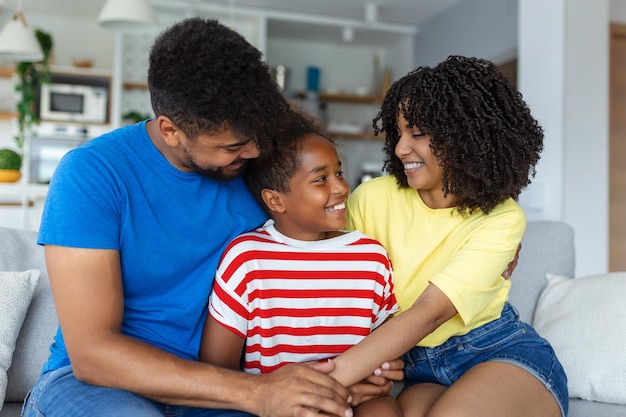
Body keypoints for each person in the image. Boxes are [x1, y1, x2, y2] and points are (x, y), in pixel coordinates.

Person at [23, 17, 400, 417]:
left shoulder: (255, 173)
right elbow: (93, 354)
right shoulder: (92, 174)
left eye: (258, 136)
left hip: (219, 386)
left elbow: (315, 273)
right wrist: (257, 393)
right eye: (233, 146)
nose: (254, 153)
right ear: (170, 130)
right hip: (97, 385)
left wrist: (348, 376)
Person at [325, 56, 569, 417]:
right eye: (399, 132)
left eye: (418, 134)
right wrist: (370, 364)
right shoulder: (371, 198)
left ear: (465, 136)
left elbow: (430, 312)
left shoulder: (502, 217)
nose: (399, 148)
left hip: (497, 350)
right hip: (420, 368)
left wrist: (330, 377)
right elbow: (340, 292)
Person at [199, 112, 403, 417]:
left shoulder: (371, 256)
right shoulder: (247, 258)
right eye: (321, 179)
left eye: (339, 173)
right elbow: (217, 366)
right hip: (275, 406)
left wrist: (385, 370)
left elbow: (385, 349)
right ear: (276, 200)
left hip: (356, 398)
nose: (341, 188)